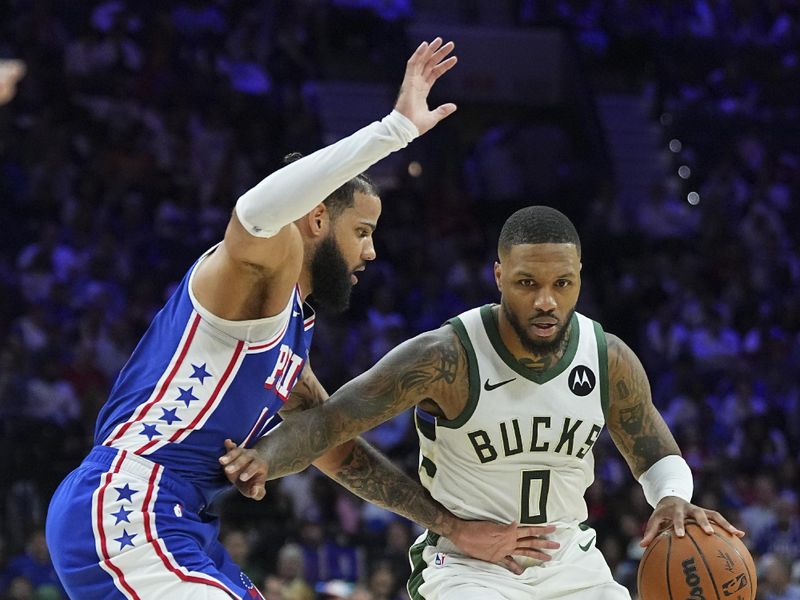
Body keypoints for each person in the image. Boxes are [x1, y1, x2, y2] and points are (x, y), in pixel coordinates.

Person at [45, 39, 548, 600]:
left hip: (179, 522)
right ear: (314, 220)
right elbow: (253, 215)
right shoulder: (257, 273)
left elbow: (333, 445)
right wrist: (393, 130)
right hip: (128, 505)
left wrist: (453, 529)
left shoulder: (290, 331)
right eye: (362, 232)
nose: (370, 254)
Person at [221, 206, 746, 599]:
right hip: (467, 567)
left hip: (571, 563)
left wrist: (672, 497)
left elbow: (652, 450)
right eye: (527, 283)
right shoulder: (445, 357)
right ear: (499, 277)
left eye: (562, 284)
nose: (546, 301)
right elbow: (330, 423)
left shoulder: (607, 358)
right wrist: (265, 457)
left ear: (579, 277)